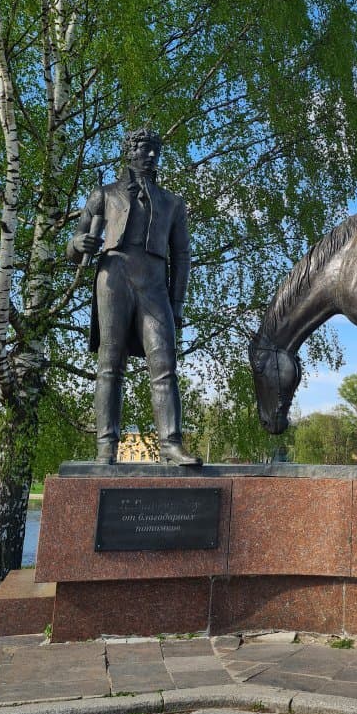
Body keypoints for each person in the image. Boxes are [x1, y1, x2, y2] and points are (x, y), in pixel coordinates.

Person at [68, 128, 201, 466]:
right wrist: (76, 245)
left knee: (164, 364)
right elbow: (77, 240)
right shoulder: (104, 195)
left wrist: (177, 304)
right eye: (143, 149)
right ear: (129, 152)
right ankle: (106, 446)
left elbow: (182, 255)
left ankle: (170, 444)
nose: (150, 155)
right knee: (110, 364)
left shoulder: (173, 203)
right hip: (113, 278)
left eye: (155, 150)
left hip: (154, 284)